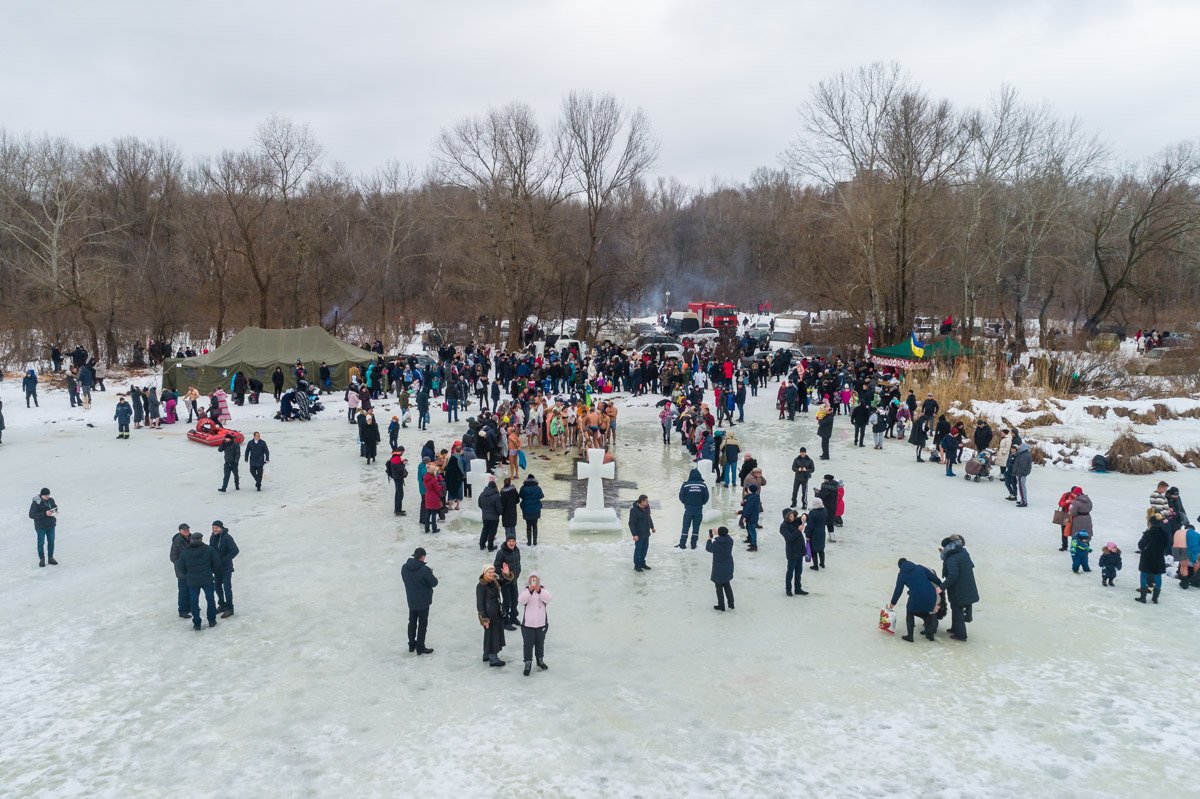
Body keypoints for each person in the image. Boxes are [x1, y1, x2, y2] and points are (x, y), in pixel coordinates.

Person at [888, 557, 943, 642]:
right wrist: (942, 586)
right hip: (931, 595)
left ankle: (910, 636)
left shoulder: (902, 575)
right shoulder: (919, 567)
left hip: (917, 597)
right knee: (926, 613)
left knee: (910, 612)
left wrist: (892, 603)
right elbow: (934, 578)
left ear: (900, 567)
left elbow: (898, 590)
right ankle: (930, 635)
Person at [179, 530, 222, 630]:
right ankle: (211, 620)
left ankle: (197, 623)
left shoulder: (186, 552)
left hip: (193, 581)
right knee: (210, 599)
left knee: (194, 601)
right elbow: (217, 562)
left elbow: (181, 567)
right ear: (201, 539)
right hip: (207, 578)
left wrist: (188, 574)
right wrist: (211, 571)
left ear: (192, 540)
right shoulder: (209, 549)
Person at [939, 536, 978, 641]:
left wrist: (941, 587)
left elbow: (952, 576)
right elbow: (970, 565)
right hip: (967, 585)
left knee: (957, 610)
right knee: (956, 608)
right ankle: (954, 628)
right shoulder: (962, 551)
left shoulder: (952, 558)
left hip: (959, 588)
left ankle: (961, 635)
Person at [401, 547, 438, 655]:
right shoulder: (424, 570)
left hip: (411, 600)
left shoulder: (404, 568)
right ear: (422, 557)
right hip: (423, 602)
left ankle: (412, 645)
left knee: (412, 622)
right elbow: (434, 583)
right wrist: (430, 573)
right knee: (422, 624)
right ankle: (420, 648)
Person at [517, 573, 552, 676]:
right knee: (528, 645)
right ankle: (528, 663)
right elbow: (521, 600)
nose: (534, 582)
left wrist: (539, 590)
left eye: (535, 580)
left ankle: (540, 660)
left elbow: (548, 598)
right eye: (532, 580)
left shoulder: (543, 590)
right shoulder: (526, 591)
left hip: (541, 624)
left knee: (540, 643)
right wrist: (531, 590)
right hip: (528, 625)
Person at [1136, 512, 1171, 604]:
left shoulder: (1148, 533)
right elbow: (1166, 545)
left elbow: (1140, 545)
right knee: (1158, 577)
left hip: (1147, 557)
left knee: (1144, 575)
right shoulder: (1164, 534)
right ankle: (1155, 598)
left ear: (1150, 523)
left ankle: (1143, 597)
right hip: (1159, 557)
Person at [476, 565, 507, 667]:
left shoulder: (494, 581)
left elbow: (505, 581)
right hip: (489, 615)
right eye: (489, 572)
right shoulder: (481, 586)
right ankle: (493, 659)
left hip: (496, 612)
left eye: (493, 572)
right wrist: (484, 618)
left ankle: (486, 655)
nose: (492, 574)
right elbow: (480, 604)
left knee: (490, 634)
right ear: (484, 573)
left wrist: (507, 574)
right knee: (493, 635)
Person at [210, 521, 239, 618]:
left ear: (221, 528)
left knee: (227, 588)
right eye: (213, 527)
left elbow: (235, 550)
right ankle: (222, 605)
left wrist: (224, 560)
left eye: (216, 528)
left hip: (226, 568)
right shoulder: (212, 537)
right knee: (217, 587)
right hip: (216, 568)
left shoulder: (227, 537)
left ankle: (230, 608)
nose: (214, 529)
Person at [677, 467, 710, 550]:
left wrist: (686, 503)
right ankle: (693, 544)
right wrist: (701, 503)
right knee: (696, 528)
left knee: (685, 527)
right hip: (698, 509)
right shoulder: (703, 485)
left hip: (688, 509)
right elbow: (706, 497)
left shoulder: (685, 485)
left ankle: (682, 544)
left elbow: (681, 496)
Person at [494, 535, 522, 630]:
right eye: (509, 541)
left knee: (515, 600)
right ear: (506, 542)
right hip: (505, 583)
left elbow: (518, 564)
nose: (511, 543)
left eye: (513, 541)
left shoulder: (517, 551)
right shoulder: (501, 553)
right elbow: (497, 568)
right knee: (506, 602)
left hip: (514, 581)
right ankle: (505, 621)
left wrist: (517, 574)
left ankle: (513, 618)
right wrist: (504, 578)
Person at [779, 508, 808, 596]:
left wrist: (804, 515)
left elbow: (805, 518)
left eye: (793, 515)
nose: (792, 517)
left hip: (799, 550)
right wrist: (798, 530)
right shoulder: (783, 526)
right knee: (790, 572)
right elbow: (789, 538)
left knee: (799, 571)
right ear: (786, 517)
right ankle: (788, 589)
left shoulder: (796, 521)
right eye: (790, 516)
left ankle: (798, 588)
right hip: (792, 551)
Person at [706, 526, 735, 611]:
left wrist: (709, 539)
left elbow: (708, 548)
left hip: (719, 569)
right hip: (728, 566)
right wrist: (718, 533)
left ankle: (721, 605)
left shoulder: (716, 544)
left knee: (719, 588)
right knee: (727, 585)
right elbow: (724, 537)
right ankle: (731, 603)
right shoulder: (730, 541)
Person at [29, 487, 59, 567]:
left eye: (48, 495)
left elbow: (55, 507)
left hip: (51, 525)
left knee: (51, 542)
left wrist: (54, 511)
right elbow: (31, 515)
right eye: (45, 495)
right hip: (40, 527)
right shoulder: (36, 503)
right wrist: (45, 513)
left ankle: (50, 558)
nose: (47, 496)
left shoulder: (51, 500)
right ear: (41, 495)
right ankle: (42, 559)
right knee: (41, 543)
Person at [628, 494, 655, 572]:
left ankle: (642, 563)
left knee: (644, 550)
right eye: (646, 501)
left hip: (646, 533)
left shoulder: (647, 508)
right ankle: (637, 566)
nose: (648, 502)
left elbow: (649, 518)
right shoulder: (634, 510)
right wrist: (634, 534)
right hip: (639, 535)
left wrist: (652, 527)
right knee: (638, 550)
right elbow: (631, 523)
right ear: (642, 501)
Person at [170, 523, 192, 618]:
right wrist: (182, 566)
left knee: (191, 589)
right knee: (183, 591)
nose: (186, 531)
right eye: (184, 529)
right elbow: (173, 557)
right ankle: (182, 611)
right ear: (180, 531)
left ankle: (190, 607)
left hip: (192, 570)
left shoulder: (192, 538)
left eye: (187, 529)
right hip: (182, 571)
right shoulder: (177, 541)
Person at [478, 475, 503, 550]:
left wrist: (484, 510)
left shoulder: (482, 494)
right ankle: (490, 546)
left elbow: (479, 504)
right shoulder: (496, 496)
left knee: (485, 529)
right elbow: (499, 508)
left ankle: (482, 544)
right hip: (494, 517)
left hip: (485, 516)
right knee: (492, 531)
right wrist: (499, 513)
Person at [518, 473, 544, 546]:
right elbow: (541, 496)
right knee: (535, 525)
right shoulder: (537, 488)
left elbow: (520, 496)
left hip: (526, 509)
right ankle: (535, 542)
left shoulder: (523, 488)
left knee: (528, 525)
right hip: (535, 509)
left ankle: (529, 542)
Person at [385, 447, 408, 516]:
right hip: (398, 478)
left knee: (398, 493)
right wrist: (403, 463)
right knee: (400, 494)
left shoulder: (395, 457)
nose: (403, 453)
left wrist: (402, 462)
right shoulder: (396, 458)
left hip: (396, 477)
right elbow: (399, 469)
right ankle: (398, 510)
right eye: (402, 452)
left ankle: (397, 509)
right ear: (400, 451)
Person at [806, 498, 828, 571]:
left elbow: (810, 526)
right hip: (822, 532)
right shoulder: (825, 511)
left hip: (814, 533)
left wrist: (807, 535)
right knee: (821, 549)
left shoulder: (812, 513)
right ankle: (822, 563)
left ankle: (815, 566)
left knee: (813, 550)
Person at [740, 483, 762, 552]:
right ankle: (750, 539)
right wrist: (743, 504)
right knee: (748, 528)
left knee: (752, 530)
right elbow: (747, 506)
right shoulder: (752, 497)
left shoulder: (752, 498)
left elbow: (748, 509)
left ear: (750, 490)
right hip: (751, 516)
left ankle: (754, 545)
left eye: (748, 488)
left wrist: (744, 517)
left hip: (751, 517)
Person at [1008, 442, 1032, 507]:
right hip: (1020, 474)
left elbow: (1023, 466)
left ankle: (1024, 502)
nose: (1019, 447)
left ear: (1024, 447)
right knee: (1021, 487)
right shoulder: (1023, 454)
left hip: (1021, 474)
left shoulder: (1024, 455)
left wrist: (1019, 474)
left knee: (1022, 487)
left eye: (1020, 446)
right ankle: (1022, 500)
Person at [500, 477, 520, 541]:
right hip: (513, 511)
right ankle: (514, 542)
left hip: (506, 513)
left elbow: (503, 504)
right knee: (513, 527)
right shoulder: (514, 491)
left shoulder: (503, 493)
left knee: (507, 528)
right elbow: (518, 500)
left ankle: (508, 543)